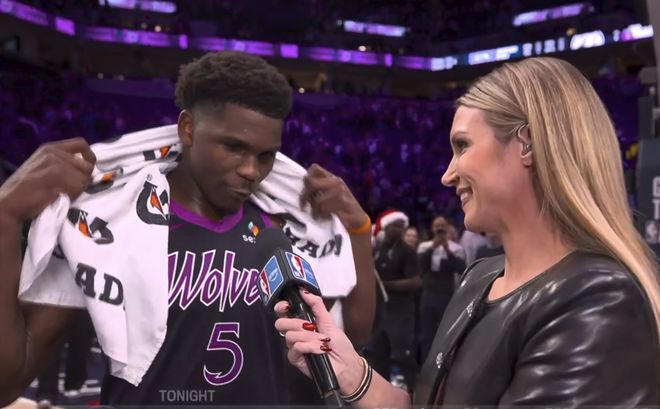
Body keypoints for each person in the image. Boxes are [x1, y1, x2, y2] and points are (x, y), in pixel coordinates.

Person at [273, 56, 660, 407]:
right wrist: (353, 375)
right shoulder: (481, 277)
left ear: (527, 144)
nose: (447, 174)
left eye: (462, 146)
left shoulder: (598, 298)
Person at [0, 51, 375, 407]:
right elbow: (8, 380)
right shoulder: (110, 229)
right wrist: (4, 217)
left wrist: (359, 231)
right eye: (233, 147)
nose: (251, 170)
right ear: (188, 128)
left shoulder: (278, 231)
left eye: (265, 156)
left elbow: (352, 337)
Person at [367, 210, 420, 390]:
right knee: (378, 353)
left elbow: (415, 282)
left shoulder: (407, 251)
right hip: (381, 311)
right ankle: (381, 389)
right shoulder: (378, 250)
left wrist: (386, 285)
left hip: (401, 312)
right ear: (385, 227)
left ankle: (409, 390)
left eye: (401, 226)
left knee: (402, 354)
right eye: (394, 226)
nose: (397, 230)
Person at [416, 216, 466, 362]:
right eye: (437, 227)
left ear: (447, 228)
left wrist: (447, 250)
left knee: (446, 332)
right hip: (428, 294)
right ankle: (426, 364)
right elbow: (420, 267)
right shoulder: (424, 247)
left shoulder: (456, 248)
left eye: (442, 227)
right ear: (432, 229)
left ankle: (445, 364)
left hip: (447, 294)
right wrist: (433, 247)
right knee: (427, 332)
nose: (440, 230)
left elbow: (461, 268)